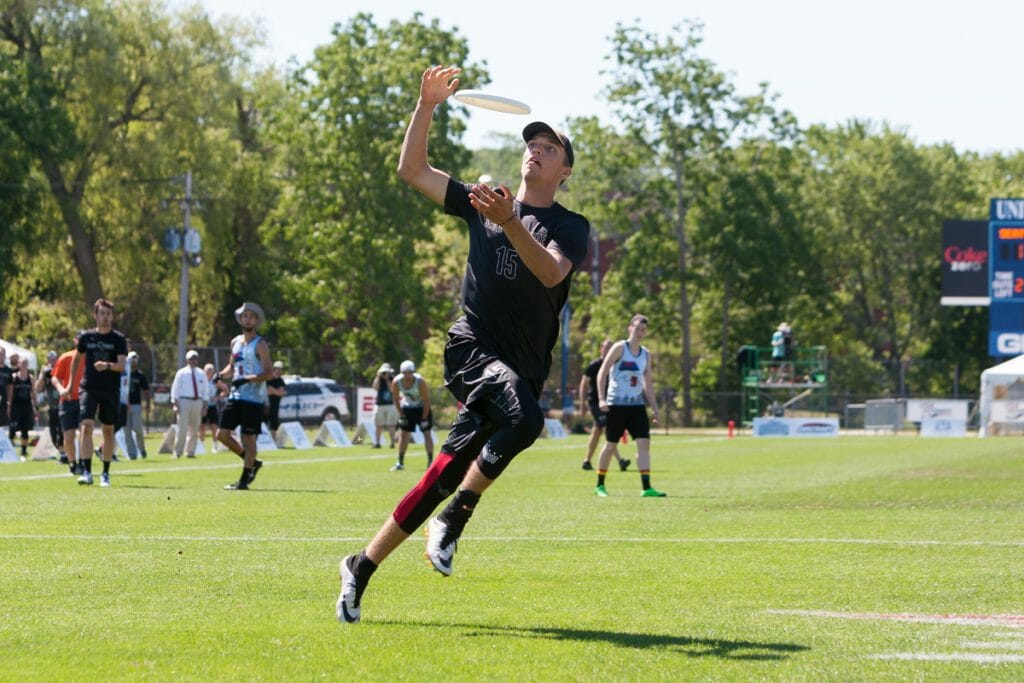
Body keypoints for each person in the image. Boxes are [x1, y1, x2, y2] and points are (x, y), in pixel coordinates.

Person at [336, 65, 590, 624]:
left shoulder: (572, 226)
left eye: (550, 148)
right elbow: (413, 170)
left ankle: (361, 566)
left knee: (440, 476)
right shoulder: (485, 202)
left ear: (564, 171)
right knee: (526, 423)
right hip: (472, 348)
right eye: (532, 144)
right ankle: (455, 519)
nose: (536, 152)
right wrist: (426, 104)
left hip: (519, 368)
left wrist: (511, 220)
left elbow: (550, 274)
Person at [593, 314, 666, 498]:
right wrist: (601, 399)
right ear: (630, 327)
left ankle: (646, 487)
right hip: (616, 404)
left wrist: (655, 408)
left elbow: (648, 384)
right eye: (637, 328)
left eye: (643, 330)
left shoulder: (646, 354)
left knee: (644, 443)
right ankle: (600, 485)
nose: (640, 332)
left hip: (637, 406)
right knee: (611, 445)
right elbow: (602, 372)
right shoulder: (619, 348)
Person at [68, 299, 128, 487]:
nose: (105, 317)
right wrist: (71, 384)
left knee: (108, 431)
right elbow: (76, 359)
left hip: (110, 390)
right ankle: (86, 472)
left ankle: (105, 473)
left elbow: (121, 366)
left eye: (108, 314)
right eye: (102, 313)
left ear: (112, 316)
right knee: (86, 425)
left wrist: (107, 365)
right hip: (89, 388)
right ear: (95, 315)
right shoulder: (86, 337)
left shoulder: (118, 339)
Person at [216, 302, 274, 490]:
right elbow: (231, 367)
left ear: (256, 321)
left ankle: (243, 481)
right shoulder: (235, 342)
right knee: (222, 435)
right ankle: (252, 463)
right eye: (245, 316)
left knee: (248, 438)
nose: (248, 319)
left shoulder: (261, 344)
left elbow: (268, 373)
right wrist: (220, 375)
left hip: (253, 399)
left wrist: (246, 380)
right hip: (235, 396)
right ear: (240, 319)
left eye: (251, 316)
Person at [578, 339, 628, 472]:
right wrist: (582, 404)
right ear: (601, 349)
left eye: (610, 348)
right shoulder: (594, 365)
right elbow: (583, 384)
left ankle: (586, 461)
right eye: (606, 348)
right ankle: (620, 460)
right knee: (607, 427)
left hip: (610, 402)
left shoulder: (615, 365)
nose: (607, 350)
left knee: (597, 431)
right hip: (595, 402)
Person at [52, 333, 86, 476]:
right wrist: (61, 390)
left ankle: (84, 462)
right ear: (75, 341)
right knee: (69, 435)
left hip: (84, 399)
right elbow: (55, 377)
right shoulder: (66, 357)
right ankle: (72, 464)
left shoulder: (91, 358)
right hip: (67, 401)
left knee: (85, 431)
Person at [389, 360, 433, 471]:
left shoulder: (420, 381)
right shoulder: (396, 382)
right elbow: (395, 399)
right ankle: (400, 462)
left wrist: (424, 418)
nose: (408, 375)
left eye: (410, 372)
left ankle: (430, 462)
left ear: (413, 372)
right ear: (401, 372)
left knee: (427, 433)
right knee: (404, 434)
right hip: (408, 408)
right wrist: (402, 415)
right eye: (405, 372)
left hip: (422, 408)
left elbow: (427, 400)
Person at [170, 349, 208, 459]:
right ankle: (177, 452)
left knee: (194, 429)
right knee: (182, 429)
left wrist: (205, 406)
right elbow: (175, 389)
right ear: (187, 360)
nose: (193, 360)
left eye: (195, 358)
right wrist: (175, 404)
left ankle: (190, 452)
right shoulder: (181, 373)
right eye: (191, 358)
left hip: (198, 402)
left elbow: (205, 391)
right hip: (184, 402)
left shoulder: (201, 373)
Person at [36, 351, 65, 461]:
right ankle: (60, 451)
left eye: (54, 359)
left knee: (61, 430)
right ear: (47, 360)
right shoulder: (45, 371)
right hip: (51, 407)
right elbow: (38, 388)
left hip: (62, 404)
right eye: (50, 359)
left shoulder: (61, 368)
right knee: (53, 432)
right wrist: (43, 375)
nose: (52, 361)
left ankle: (63, 454)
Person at [7, 356, 36, 460]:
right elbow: (10, 392)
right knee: (13, 429)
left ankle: (23, 452)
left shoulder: (31, 378)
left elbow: (33, 393)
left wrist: (35, 407)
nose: (24, 366)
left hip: (27, 406)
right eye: (22, 363)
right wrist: (9, 406)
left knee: (25, 430)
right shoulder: (14, 377)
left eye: (25, 364)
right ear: (18, 364)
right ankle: (9, 451)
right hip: (16, 406)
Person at [124, 351, 150, 459]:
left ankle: (142, 449)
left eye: (135, 359)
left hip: (136, 405)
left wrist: (148, 404)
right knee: (127, 431)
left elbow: (146, 391)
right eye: (131, 359)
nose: (133, 361)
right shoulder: (125, 373)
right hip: (125, 405)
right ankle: (132, 454)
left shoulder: (140, 375)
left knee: (137, 429)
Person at [200, 363, 227, 452]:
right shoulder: (201, 379)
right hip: (202, 405)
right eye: (207, 370)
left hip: (212, 406)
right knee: (202, 426)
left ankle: (215, 445)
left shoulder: (215, 381)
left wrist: (217, 397)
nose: (209, 372)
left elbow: (226, 390)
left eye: (211, 370)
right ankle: (201, 445)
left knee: (214, 426)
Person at [372, 363, 397, 449]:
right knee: (379, 425)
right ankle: (377, 443)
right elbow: (375, 387)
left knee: (391, 425)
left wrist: (387, 379)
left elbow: (392, 389)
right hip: (380, 404)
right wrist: (378, 377)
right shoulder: (379, 379)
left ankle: (392, 443)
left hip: (390, 404)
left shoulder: (392, 378)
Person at [265, 360, 286, 434]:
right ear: (274, 368)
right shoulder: (269, 378)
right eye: (278, 368)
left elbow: (282, 392)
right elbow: (267, 390)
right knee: (264, 423)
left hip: (275, 406)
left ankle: (273, 442)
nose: (280, 370)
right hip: (267, 405)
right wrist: (277, 392)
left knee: (274, 424)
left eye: (281, 369)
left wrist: (274, 391)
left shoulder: (281, 380)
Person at [0, 347, 11, 429]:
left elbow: (10, 387)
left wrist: (9, 402)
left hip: (3, 402)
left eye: (2, 354)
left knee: (3, 425)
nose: (1, 356)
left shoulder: (8, 370)